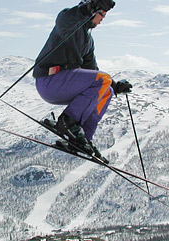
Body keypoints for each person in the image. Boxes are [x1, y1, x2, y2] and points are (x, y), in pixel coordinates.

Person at [33, 0, 132, 164]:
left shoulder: (87, 41)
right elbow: (69, 18)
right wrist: (89, 7)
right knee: (103, 80)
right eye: (102, 14)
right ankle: (68, 123)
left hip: (63, 84)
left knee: (107, 90)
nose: (102, 19)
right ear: (93, 11)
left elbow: (92, 71)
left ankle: (83, 137)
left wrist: (115, 86)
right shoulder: (68, 22)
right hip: (49, 81)